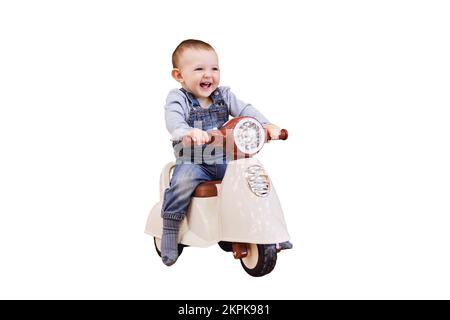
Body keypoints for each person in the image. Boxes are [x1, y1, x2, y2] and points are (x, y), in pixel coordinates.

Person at [160, 39, 290, 266]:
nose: (208, 74)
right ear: (179, 75)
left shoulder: (224, 95)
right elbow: (173, 120)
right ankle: (170, 227)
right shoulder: (178, 98)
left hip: (224, 160)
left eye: (214, 68)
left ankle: (268, 229)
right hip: (193, 161)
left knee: (254, 181)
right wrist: (186, 131)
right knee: (182, 182)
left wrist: (267, 125)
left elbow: (245, 109)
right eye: (199, 69)